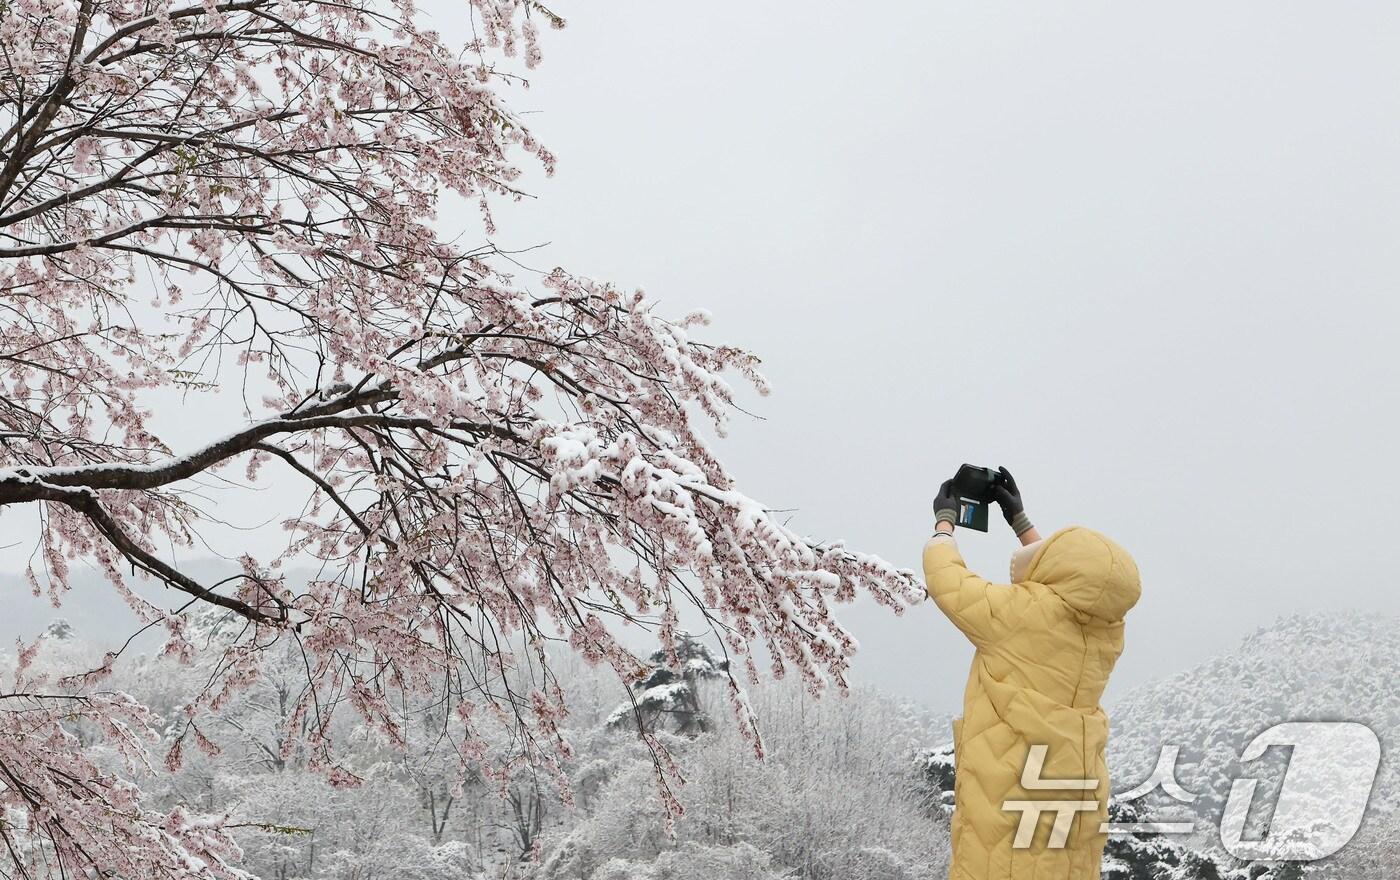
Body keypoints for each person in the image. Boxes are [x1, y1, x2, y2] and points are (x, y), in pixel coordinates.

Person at [925, 468, 1141, 880]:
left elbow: (947, 582)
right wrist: (1021, 523)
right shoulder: (1107, 632)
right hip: (1074, 788)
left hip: (1014, 786)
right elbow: (1079, 581)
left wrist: (944, 524)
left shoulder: (1019, 614)